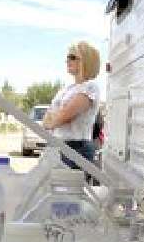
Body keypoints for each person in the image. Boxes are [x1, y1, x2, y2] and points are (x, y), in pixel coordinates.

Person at [42, 41, 102, 171]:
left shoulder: (90, 87)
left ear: (86, 61)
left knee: (70, 189)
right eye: (68, 57)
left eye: (73, 57)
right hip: (58, 145)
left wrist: (56, 118)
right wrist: (55, 119)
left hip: (77, 147)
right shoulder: (66, 89)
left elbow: (64, 116)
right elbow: (46, 121)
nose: (67, 61)